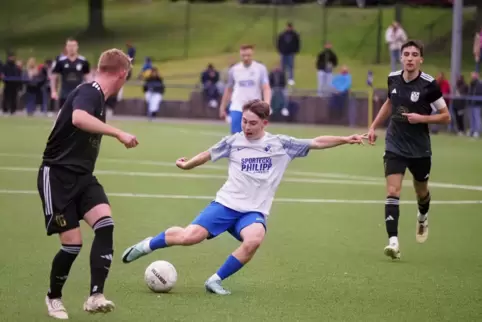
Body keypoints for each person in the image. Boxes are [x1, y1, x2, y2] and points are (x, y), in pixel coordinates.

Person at [122, 99, 366, 295]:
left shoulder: (282, 144)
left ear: (264, 123)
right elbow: (209, 153)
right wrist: (188, 165)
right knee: (188, 237)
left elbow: (316, 142)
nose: (246, 127)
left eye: (252, 123)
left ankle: (214, 281)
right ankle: (147, 245)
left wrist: (345, 139)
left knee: (254, 239)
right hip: (226, 204)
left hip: (252, 211)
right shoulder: (233, 141)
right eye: (243, 122)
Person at [37, 48, 138, 319]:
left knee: (105, 224)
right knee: (72, 245)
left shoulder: (99, 99)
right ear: (121, 74)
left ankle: (95, 295)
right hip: (57, 176)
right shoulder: (90, 91)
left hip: (83, 178)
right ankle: (53, 297)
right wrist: (118, 132)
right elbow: (78, 118)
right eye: (127, 76)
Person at [367, 40, 451, 260]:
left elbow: (446, 116)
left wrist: (421, 118)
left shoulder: (429, 85)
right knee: (393, 191)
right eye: (406, 54)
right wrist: (374, 126)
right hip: (394, 144)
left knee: (421, 191)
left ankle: (422, 216)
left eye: (415, 54)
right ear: (401, 57)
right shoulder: (393, 78)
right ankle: (393, 242)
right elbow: (388, 103)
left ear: (421, 59)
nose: (410, 58)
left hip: (420, 148)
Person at [219, 44, 271, 134]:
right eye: (243, 56)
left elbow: (266, 88)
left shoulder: (260, 69)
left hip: (255, 109)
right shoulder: (234, 70)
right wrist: (222, 107)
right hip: (237, 106)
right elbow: (229, 89)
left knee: (254, 136)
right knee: (236, 137)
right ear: (240, 55)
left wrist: (266, 105)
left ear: (252, 54)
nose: (246, 58)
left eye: (248, 55)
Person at [51, 38, 91, 111]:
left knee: (77, 116)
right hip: (64, 94)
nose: (71, 48)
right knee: (63, 117)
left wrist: (89, 90)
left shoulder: (83, 61)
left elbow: (88, 77)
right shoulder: (61, 61)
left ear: (77, 47)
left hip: (79, 94)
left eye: (73, 46)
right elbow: (54, 77)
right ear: (66, 47)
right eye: (69, 46)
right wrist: (53, 91)